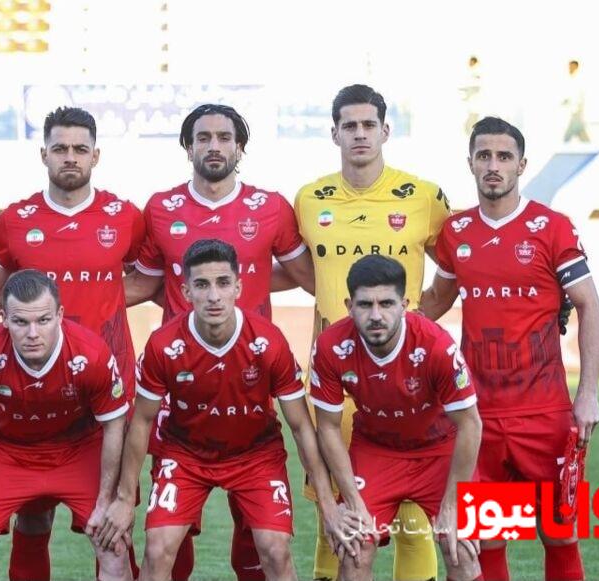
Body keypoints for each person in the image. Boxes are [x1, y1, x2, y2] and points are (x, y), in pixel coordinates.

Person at [122, 103, 313, 581]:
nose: (213, 146)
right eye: (203, 138)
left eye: (224, 138)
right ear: (187, 147)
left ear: (240, 148)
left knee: (269, 541)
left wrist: (389, 310)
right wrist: (61, 306)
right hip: (181, 389)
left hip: (252, 381)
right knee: (169, 538)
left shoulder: (271, 207)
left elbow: (309, 277)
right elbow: (143, 282)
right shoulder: (160, 209)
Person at [421, 116, 599, 581]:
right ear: (470, 163)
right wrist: (380, 320)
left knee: (558, 533)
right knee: (490, 534)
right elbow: (435, 302)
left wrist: (588, 393)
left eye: (504, 156)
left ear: (522, 165)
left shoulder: (552, 227)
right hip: (478, 415)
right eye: (484, 156)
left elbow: (590, 307)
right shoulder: (457, 231)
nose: (493, 165)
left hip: (543, 413)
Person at [100, 239, 349, 581]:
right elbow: (141, 421)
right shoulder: (164, 345)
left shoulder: (269, 341)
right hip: (186, 455)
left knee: (277, 550)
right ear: (186, 292)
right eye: (202, 285)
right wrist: (124, 499)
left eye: (222, 283)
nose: (214, 296)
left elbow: (302, 427)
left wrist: (328, 505)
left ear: (238, 287)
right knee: (157, 549)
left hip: (255, 455)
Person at [286, 84, 451, 581]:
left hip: (406, 375)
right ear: (334, 133)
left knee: (412, 513)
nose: (359, 134)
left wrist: (419, 321)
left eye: (368, 125)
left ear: (385, 130)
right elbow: (302, 270)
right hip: (337, 374)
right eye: (349, 126)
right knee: (335, 500)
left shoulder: (423, 196)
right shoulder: (309, 199)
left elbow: (455, 267)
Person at [0, 106, 145, 581]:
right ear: (43, 154)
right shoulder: (15, 220)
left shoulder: (125, 216)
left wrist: (104, 304)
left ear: (96, 155)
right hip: (33, 389)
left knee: (113, 519)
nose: (69, 157)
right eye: (60, 148)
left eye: (79, 149)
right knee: (34, 517)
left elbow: (149, 278)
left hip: (108, 387)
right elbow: (0, 295)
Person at [0, 270, 132, 581]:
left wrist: (105, 501)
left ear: (59, 315)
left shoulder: (91, 352)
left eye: (43, 320)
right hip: (6, 450)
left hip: (77, 449)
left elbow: (115, 424)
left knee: (113, 543)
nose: (32, 333)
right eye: (21, 322)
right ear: (4, 319)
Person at [310, 254, 482, 581]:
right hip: (376, 449)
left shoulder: (436, 345)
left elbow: (471, 424)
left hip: (439, 449)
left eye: (387, 303)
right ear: (349, 306)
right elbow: (328, 428)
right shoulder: (331, 346)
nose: (376, 315)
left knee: (461, 548)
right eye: (365, 304)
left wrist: (452, 505)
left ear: (404, 305)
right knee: (355, 548)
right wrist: (353, 501)